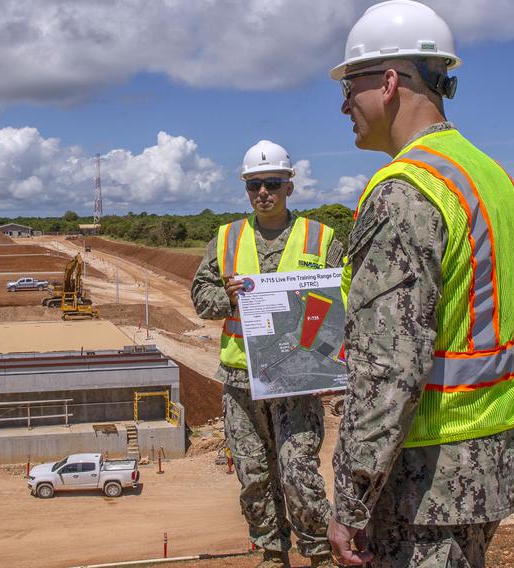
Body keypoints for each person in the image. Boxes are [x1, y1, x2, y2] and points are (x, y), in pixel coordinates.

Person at [325, 1, 514, 566]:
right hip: (493, 458)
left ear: (390, 82)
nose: (344, 104)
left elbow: (390, 369)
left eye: (350, 85)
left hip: (428, 480)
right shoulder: (489, 175)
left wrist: (350, 498)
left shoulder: (404, 193)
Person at [191, 140, 343, 567]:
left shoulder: (322, 238)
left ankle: (318, 553)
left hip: (298, 378)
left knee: (298, 471)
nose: (263, 192)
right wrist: (227, 297)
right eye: (254, 185)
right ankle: (272, 553)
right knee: (253, 473)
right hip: (241, 380)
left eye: (272, 183)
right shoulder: (226, 239)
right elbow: (201, 298)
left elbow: (343, 299)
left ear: (289, 186)